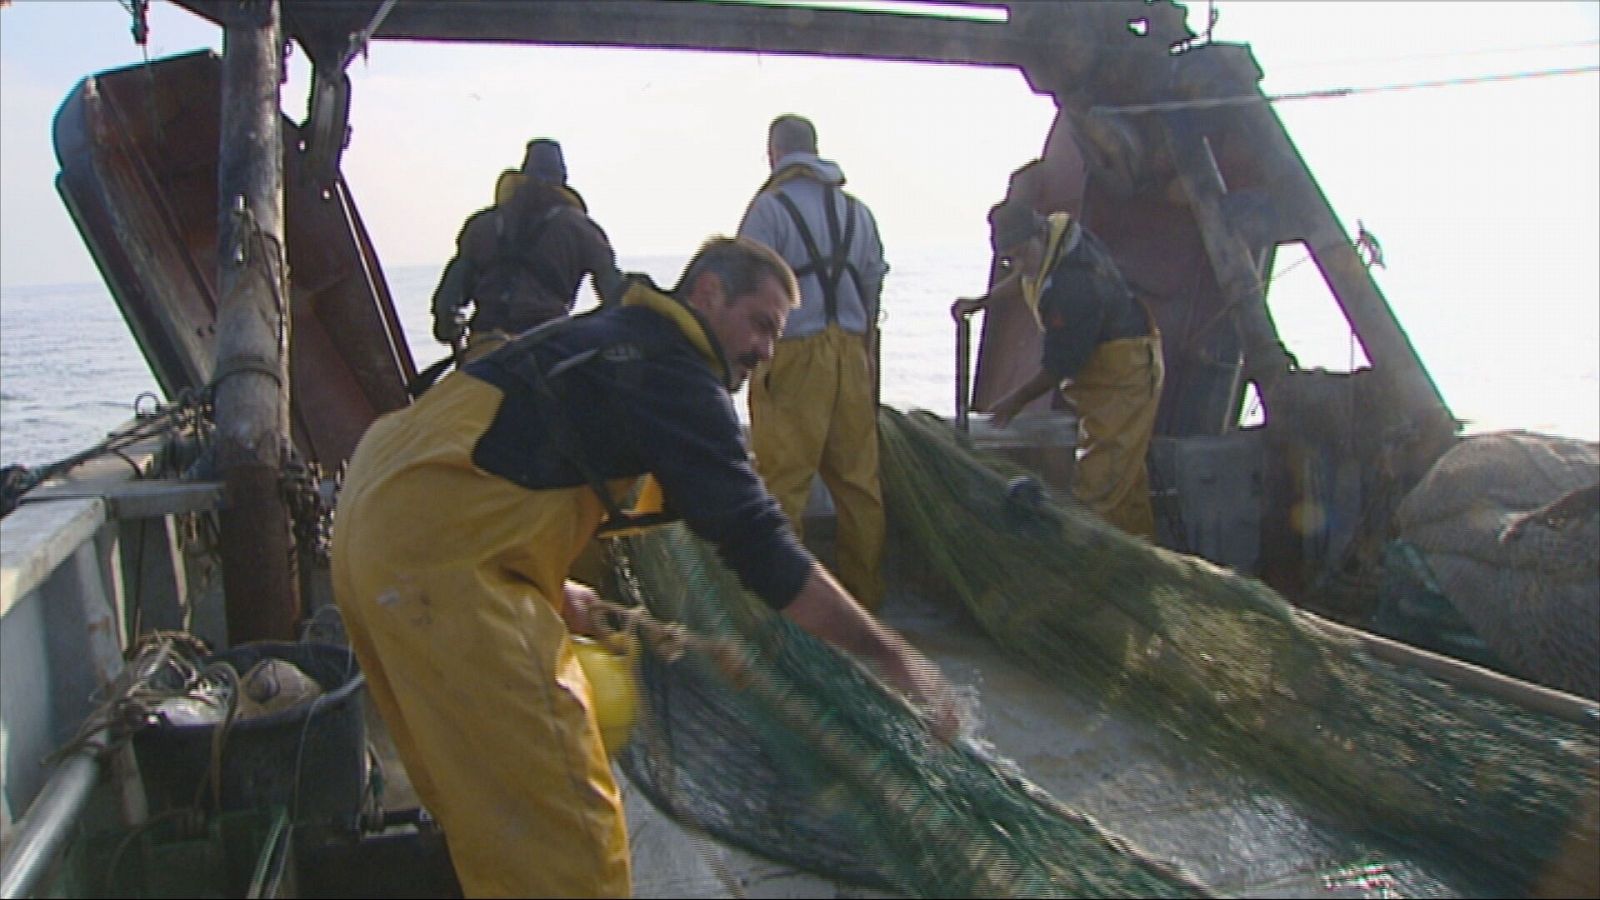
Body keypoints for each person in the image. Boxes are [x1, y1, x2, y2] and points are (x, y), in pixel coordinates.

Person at [332, 236, 956, 897]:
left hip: (376, 525)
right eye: (762, 324)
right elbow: (758, 542)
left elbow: (504, 467)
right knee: (567, 829)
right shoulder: (675, 369)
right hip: (434, 562)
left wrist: (548, 582)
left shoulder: (610, 334)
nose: (767, 351)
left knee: (484, 797)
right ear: (709, 293)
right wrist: (884, 653)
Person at [737, 113, 891, 610]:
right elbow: (873, 283)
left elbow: (748, 288)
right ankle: (865, 603)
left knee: (783, 484)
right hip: (850, 354)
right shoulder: (858, 212)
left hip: (795, 356)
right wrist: (863, 352)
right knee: (859, 487)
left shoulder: (770, 209)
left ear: (774, 153)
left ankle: (785, 612)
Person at [953, 200, 1164, 539]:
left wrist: (1014, 401)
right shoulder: (1052, 241)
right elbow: (1024, 277)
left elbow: (1059, 366)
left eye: (1022, 254)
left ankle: (1103, 573)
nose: (1018, 265)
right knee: (1126, 481)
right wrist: (983, 301)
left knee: (1100, 488)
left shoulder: (1072, 287)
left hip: (1126, 378)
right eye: (1009, 259)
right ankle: (1143, 556)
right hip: (1101, 380)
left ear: (1037, 237)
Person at [430, 138, 622, 362]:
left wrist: (449, 328)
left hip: (485, 351)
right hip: (548, 348)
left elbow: (446, 306)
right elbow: (614, 296)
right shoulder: (581, 228)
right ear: (562, 180)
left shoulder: (482, 225)